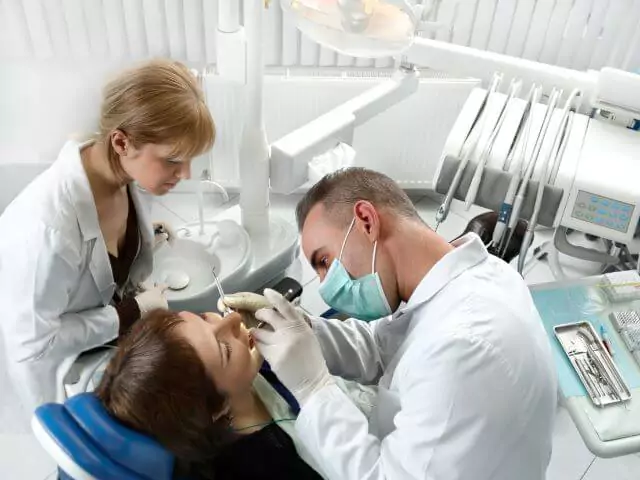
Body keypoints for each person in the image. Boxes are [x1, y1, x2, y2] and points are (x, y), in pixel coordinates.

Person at [235, 168, 558, 480]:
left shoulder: (462, 347)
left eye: (324, 261)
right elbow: (381, 347)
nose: (324, 285)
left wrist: (313, 388)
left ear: (366, 221)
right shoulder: (472, 278)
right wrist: (304, 330)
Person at [0, 59, 215, 414]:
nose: (186, 173)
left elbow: (99, 261)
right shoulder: (48, 231)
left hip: (111, 353)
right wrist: (128, 313)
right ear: (121, 142)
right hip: (62, 377)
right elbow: (35, 345)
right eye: (174, 159)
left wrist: (145, 239)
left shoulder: (119, 173)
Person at [96, 308, 377, 480]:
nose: (231, 319)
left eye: (205, 318)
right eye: (225, 349)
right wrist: (315, 388)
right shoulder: (266, 468)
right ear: (216, 409)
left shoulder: (257, 368)